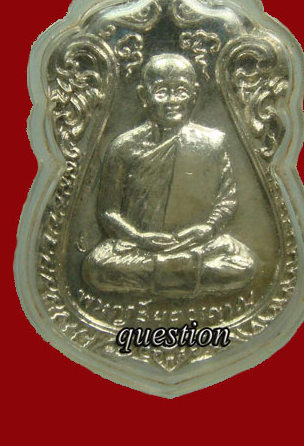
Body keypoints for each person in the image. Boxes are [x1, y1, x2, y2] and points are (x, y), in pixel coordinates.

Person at [82, 53, 257, 297]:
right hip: (140, 249)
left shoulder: (212, 143)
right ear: (144, 96)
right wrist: (139, 237)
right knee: (98, 267)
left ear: (194, 94)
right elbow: (108, 212)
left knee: (244, 264)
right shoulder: (123, 146)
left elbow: (226, 201)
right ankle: (184, 273)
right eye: (162, 91)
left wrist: (207, 229)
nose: (171, 101)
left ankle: (166, 274)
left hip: (198, 245)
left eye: (181, 91)